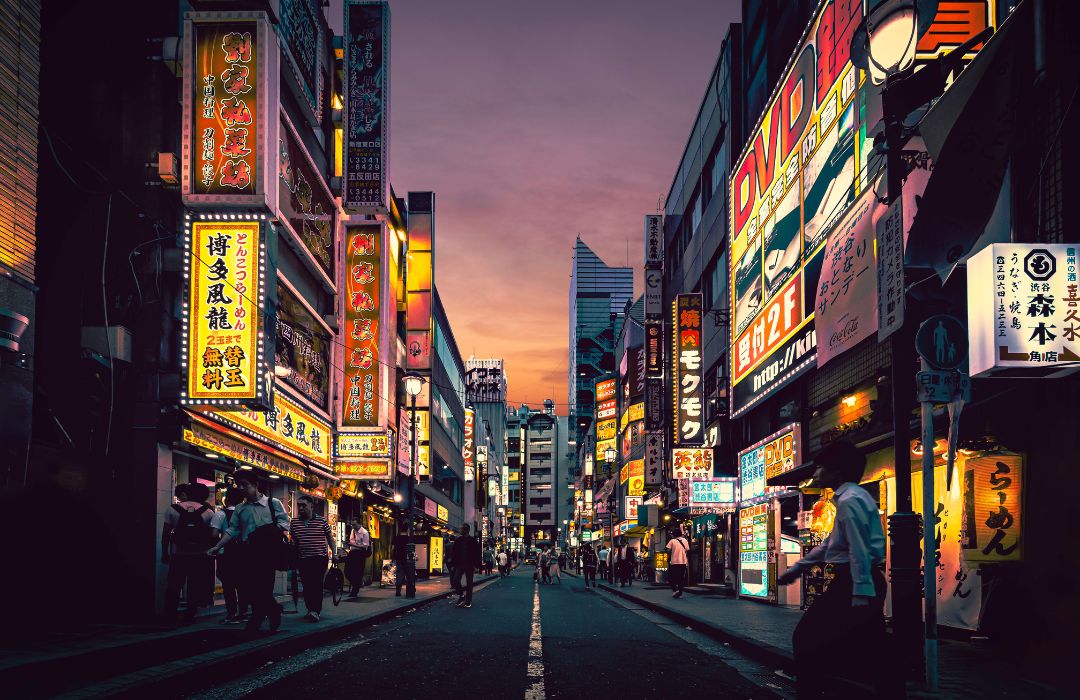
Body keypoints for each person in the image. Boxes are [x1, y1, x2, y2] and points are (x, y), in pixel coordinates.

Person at [776, 440, 897, 698]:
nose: (816, 473)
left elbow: (859, 548)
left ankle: (812, 691)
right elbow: (833, 543)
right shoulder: (851, 498)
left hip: (855, 582)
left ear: (837, 472)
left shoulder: (850, 500)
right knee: (871, 647)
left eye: (820, 467)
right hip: (858, 581)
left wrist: (860, 590)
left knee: (808, 637)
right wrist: (799, 568)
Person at [208, 476, 289, 634]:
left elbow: (284, 523)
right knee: (250, 588)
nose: (241, 488)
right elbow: (233, 530)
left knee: (264, 588)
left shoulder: (273, 504)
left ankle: (256, 620)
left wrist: (266, 533)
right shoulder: (240, 508)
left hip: (267, 553)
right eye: (239, 486)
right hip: (247, 553)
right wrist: (217, 546)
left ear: (255, 484)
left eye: (244, 484)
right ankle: (273, 610)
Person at [162, 483, 215, 624]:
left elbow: (165, 534)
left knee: (174, 584)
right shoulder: (208, 512)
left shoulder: (172, 509)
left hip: (178, 554)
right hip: (200, 555)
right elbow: (213, 536)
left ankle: (170, 615)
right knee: (195, 585)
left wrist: (164, 553)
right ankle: (190, 616)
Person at [289, 495, 336, 622]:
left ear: (311, 506)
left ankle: (316, 611)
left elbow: (330, 538)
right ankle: (310, 610)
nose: (301, 508)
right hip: (303, 559)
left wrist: (335, 553)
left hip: (319, 558)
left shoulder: (321, 521)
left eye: (304, 505)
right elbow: (293, 541)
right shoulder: (294, 522)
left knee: (316, 584)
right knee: (306, 586)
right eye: (299, 505)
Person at [210, 486, 248, 623]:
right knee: (243, 584)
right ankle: (243, 612)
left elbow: (214, 534)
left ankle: (231, 613)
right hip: (244, 554)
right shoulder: (245, 514)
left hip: (225, 554)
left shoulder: (220, 514)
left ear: (227, 499)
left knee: (228, 585)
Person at [450, 524, 480, 608]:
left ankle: (468, 601)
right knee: (455, 580)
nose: (460, 531)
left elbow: (477, 553)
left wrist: (477, 565)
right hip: (460, 563)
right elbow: (454, 553)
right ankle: (461, 595)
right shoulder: (458, 540)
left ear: (466, 530)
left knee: (469, 583)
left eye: (461, 529)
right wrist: (453, 564)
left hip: (470, 564)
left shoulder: (473, 541)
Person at [345, 516, 371, 597]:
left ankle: (355, 590)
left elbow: (365, 546)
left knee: (358, 572)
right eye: (352, 525)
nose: (353, 527)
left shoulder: (364, 533)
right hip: (352, 552)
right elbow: (351, 541)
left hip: (360, 553)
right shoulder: (353, 531)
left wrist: (354, 545)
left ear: (359, 524)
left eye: (355, 525)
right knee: (347, 571)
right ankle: (356, 584)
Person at [666, 529, 690, 598]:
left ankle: (675, 590)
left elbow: (668, 550)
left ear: (674, 534)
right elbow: (687, 550)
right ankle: (680, 594)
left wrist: (670, 555)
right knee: (681, 578)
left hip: (674, 562)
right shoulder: (685, 540)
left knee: (671, 577)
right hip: (683, 562)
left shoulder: (672, 541)